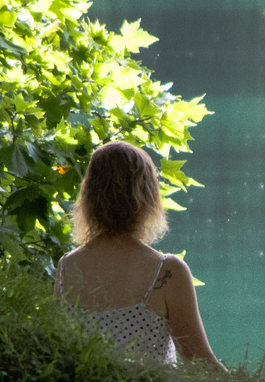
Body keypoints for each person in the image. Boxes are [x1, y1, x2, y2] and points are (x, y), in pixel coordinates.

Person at [53, 141, 224, 369]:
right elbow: (202, 364)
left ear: (89, 196)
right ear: (147, 197)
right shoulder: (167, 272)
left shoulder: (67, 267)